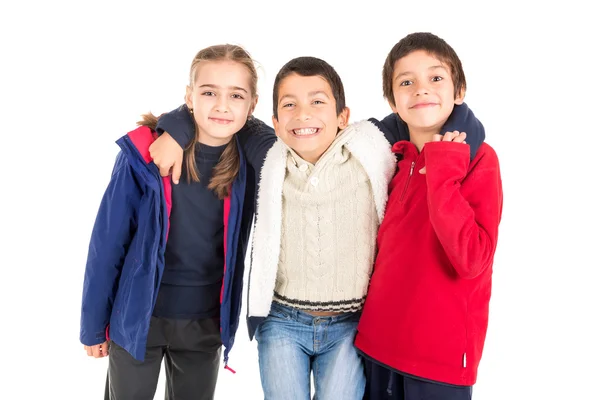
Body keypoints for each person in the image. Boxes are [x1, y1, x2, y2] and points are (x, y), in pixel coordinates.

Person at [149, 53, 485, 399]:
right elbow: (228, 115)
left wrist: (462, 147)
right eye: (290, 105)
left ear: (343, 117)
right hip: (282, 321)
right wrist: (176, 128)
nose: (304, 114)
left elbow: (433, 112)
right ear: (276, 122)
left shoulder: (370, 144)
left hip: (349, 324)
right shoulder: (269, 153)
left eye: (317, 102)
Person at [79, 44, 259, 400]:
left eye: (236, 95)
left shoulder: (251, 162)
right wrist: (92, 326)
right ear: (189, 97)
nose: (222, 105)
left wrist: (176, 123)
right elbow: (107, 243)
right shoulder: (144, 153)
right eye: (209, 92)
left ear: (252, 106)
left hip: (205, 323)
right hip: (137, 320)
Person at [354, 32, 503, 400]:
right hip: (375, 345)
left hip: (438, 361)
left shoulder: (480, 160)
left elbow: (471, 260)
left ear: (459, 91)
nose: (421, 89)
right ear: (392, 101)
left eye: (435, 78)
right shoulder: (390, 158)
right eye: (407, 82)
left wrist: (443, 170)